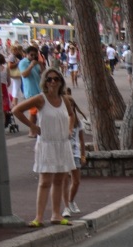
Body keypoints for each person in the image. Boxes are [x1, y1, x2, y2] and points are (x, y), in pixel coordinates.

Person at [13, 68, 77, 227]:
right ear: (45, 82)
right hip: (47, 143)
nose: (53, 82)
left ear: (61, 81)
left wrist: (70, 129)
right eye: (49, 79)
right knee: (45, 181)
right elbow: (17, 110)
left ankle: (56, 214)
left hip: (62, 143)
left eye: (56, 79)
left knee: (59, 180)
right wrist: (32, 126)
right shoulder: (41, 99)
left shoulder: (64, 99)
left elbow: (71, 114)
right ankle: (39, 217)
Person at [18, 45, 43, 137]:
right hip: (30, 91)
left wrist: (40, 64)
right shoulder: (23, 63)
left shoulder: (36, 62)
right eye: (31, 55)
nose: (33, 57)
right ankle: (31, 132)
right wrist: (31, 65)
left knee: (39, 112)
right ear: (27, 54)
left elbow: (43, 73)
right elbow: (24, 75)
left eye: (35, 55)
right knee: (33, 113)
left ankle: (35, 130)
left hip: (38, 89)